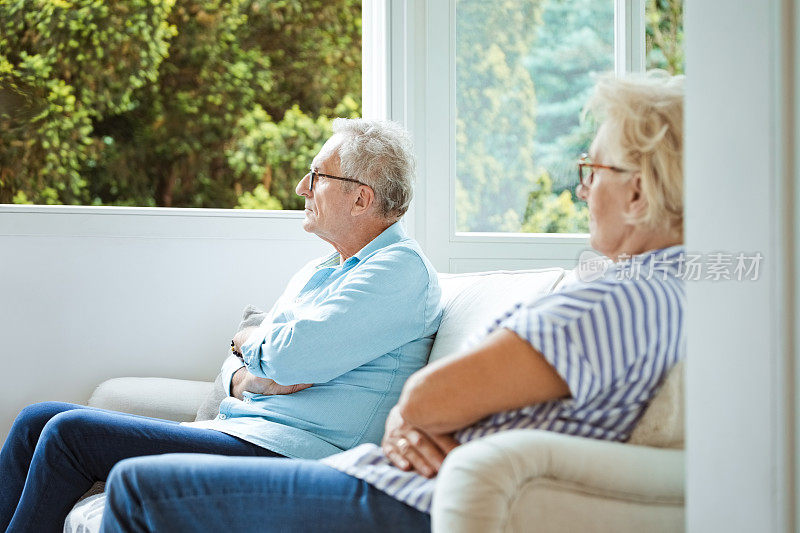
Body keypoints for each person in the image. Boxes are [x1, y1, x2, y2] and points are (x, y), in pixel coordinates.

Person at [96, 71, 686, 533]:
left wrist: (412, 416)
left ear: (637, 188)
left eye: (592, 170)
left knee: (134, 486)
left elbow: (429, 397)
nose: (582, 189)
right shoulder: (672, 290)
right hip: (400, 481)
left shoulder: (619, 298)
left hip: (407, 498)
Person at [0, 118, 443, 533]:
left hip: (291, 454)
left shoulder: (398, 271)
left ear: (361, 198)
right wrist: (249, 375)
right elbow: (255, 368)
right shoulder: (322, 270)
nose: (301, 187)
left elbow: (289, 355)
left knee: (68, 435)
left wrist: (249, 340)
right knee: (37, 418)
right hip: (239, 430)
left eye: (317, 175)